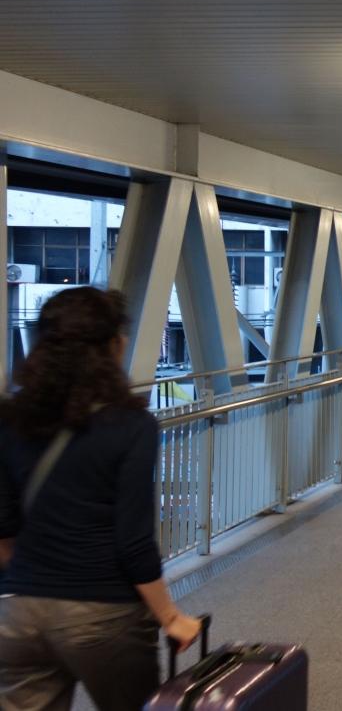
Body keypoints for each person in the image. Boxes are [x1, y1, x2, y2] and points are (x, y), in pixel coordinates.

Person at [0, 288, 203, 711]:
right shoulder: (131, 425)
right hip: (104, 614)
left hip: (18, 614)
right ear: (111, 346)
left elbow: (4, 530)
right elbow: (134, 541)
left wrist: (34, 583)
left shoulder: (11, 419)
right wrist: (170, 617)